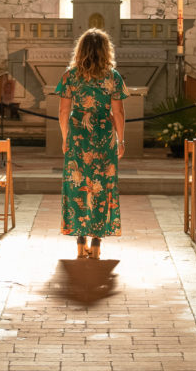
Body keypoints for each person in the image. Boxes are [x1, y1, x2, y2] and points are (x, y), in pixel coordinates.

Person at [55, 28, 128, 259]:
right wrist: (120, 139)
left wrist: (66, 137)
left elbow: (63, 110)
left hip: (78, 133)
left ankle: (79, 242)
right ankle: (96, 244)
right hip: (103, 135)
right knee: (101, 185)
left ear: (81, 49)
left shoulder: (70, 75)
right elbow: (118, 112)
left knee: (77, 184)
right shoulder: (112, 76)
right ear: (105, 50)